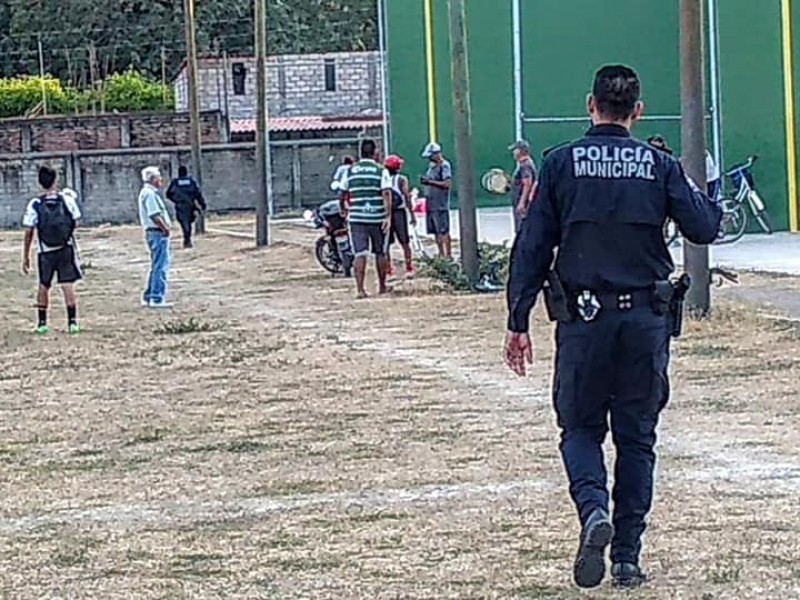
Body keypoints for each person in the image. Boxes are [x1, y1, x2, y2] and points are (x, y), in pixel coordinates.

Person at [504, 65, 722, 590]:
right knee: (637, 439)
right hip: (644, 321)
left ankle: (593, 510)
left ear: (590, 105)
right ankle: (626, 556)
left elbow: (532, 247)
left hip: (584, 320)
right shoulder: (658, 164)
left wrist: (518, 319)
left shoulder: (559, 165)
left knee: (579, 429)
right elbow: (706, 225)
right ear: (638, 111)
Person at [21, 166, 83, 335]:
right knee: (67, 285)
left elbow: (29, 230)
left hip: (45, 251)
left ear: (40, 183)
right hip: (65, 248)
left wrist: (26, 255)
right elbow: (76, 220)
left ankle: (42, 324)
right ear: (55, 180)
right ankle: (72, 323)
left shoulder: (35, 203)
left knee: (44, 285)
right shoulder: (66, 199)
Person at [339, 138, 393, 299]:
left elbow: (342, 193)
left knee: (360, 253)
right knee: (380, 252)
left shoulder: (350, 171)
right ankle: (382, 287)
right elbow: (386, 193)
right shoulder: (380, 170)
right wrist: (388, 216)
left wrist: (344, 209)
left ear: (360, 152)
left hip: (357, 218)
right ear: (374, 152)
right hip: (377, 217)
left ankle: (360, 289)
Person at [138, 166, 173, 308]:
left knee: (156, 264)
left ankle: (149, 295)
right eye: (159, 177)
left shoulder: (145, 193)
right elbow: (154, 215)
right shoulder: (150, 194)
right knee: (161, 265)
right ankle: (157, 297)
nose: (161, 180)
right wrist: (164, 228)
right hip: (157, 232)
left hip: (152, 233)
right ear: (153, 179)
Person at [384, 154, 417, 279]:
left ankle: (388, 271)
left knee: (386, 244)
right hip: (399, 212)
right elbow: (406, 196)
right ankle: (409, 267)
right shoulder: (402, 179)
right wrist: (412, 214)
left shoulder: (383, 179)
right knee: (405, 242)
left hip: (386, 212)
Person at [420, 142, 452, 259]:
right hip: (431, 204)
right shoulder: (431, 167)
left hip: (440, 205)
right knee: (435, 231)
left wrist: (430, 182)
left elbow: (447, 184)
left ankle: (448, 255)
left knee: (443, 230)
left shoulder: (444, 166)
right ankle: (441, 254)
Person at [165, 166, 206, 249]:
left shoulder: (175, 182)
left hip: (181, 206)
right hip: (190, 205)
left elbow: (168, 194)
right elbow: (198, 194)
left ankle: (187, 239)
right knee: (189, 223)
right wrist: (202, 204)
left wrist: (176, 200)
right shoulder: (191, 182)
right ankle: (188, 239)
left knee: (184, 223)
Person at [509, 139, 538, 233]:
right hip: (524, 202)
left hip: (524, 205)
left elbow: (527, 183)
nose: (513, 152)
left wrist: (521, 203)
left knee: (522, 230)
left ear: (519, 151)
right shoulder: (525, 163)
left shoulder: (525, 165)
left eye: (515, 150)